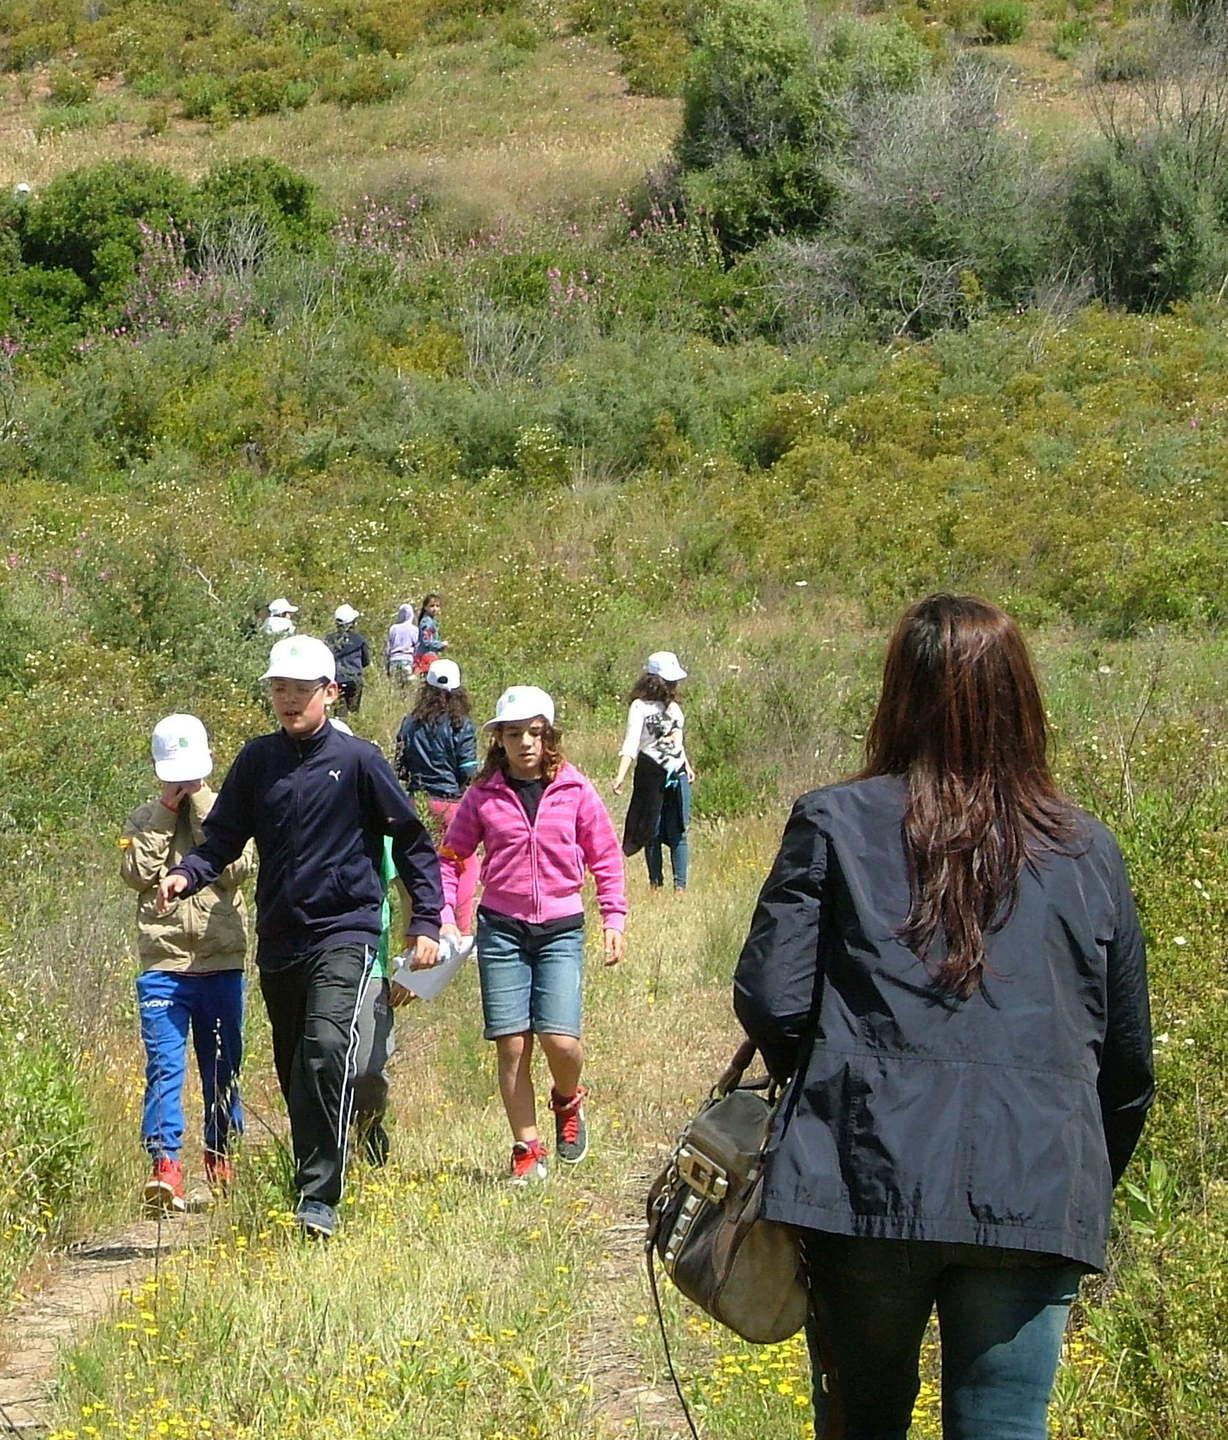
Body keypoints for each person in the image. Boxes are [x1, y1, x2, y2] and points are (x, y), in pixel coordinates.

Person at [733, 594, 1154, 1440]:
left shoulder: (834, 821)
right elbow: (1128, 1061)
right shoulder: (1087, 848)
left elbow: (773, 1000)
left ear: (899, 695)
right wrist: (1076, 1178)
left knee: (863, 1424)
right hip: (1037, 1178)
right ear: (1021, 701)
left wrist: (837, 1083)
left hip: (865, 1176)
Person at [156, 636, 443, 1239]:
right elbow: (225, 837)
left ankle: (319, 1196)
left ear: (330, 693)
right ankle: (320, 1156)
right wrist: (187, 873)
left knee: (325, 1049)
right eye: (278, 690)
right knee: (295, 1069)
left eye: (299, 691)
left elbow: (413, 841)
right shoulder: (258, 762)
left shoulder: (360, 760)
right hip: (281, 937)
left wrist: (426, 920)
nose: (287, 701)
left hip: (347, 929)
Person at [437, 686, 626, 1184]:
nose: (525, 743)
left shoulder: (575, 789)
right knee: (513, 1045)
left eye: (534, 733)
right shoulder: (482, 796)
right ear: (498, 739)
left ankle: (567, 1101)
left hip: (561, 927)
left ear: (549, 736)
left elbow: (605, 855)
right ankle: (527, 1147)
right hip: (502, 928)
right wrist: (443, 915)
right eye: (514, 733)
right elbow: (452, 859)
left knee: (560, 1041)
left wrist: (614, 917)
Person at [120, 714, 253, 1214]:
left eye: (190, 774)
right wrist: (162, 815)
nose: (181, 781)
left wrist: (201, 809)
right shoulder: (142, 818)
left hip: (220, 960)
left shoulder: (226, 810)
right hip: (164, 963)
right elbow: (137, 875)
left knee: (223, 1066)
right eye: (174, 774)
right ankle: (165, 1167)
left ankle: (222, 1156)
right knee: (165, 1067)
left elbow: (238, 868)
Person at [331, 718, 395, 1167]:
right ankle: (329, 1150)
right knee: (329, 1060)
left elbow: (408, 889)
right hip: (317, 958)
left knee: (369, 1070)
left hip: (372, 963)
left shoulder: (378, 824)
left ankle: (369, 1125)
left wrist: (412, 962)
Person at [394, 658, 480, 932]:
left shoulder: (410, 722)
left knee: (421, 865)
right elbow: (467, 769)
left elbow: (399, 763)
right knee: (463, 864)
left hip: (416, 801)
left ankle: (422, 924)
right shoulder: (460, 724)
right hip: (451, 802)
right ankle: (460, 927)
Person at [614, 651, 695, 892]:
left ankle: (681, 887)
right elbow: (632, 743)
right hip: (651, 773)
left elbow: (678, 742)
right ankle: (655, 884)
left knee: (678, 829)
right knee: (652, 829)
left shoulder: (675, 709)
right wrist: (621, 775)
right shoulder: (639, 707)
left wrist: (687, 766)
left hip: (676, 773)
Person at [323, 603, 371, 716]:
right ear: (352, 623)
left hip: (337, 681)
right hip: (354, 680)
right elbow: (366, 661)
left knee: (339, 714)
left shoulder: (329, 640)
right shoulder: (359, 640)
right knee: (353, 713)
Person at [385, 602, 419, 687]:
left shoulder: (393, 628)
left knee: (395, 686)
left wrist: (387, 663)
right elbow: (417, 646)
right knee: (407, 686)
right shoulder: (414, 629)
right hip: (407, 659)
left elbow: (388, 647)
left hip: (394, 659)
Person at [413, 593, 447, 675]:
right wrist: (440, 644)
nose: (435, 609)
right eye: (432, 606)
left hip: (429, 655)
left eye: (437, 606)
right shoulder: (427, 622)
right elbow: (426, 641)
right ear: (425, 607)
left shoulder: (431, 621)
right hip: (426, 656)